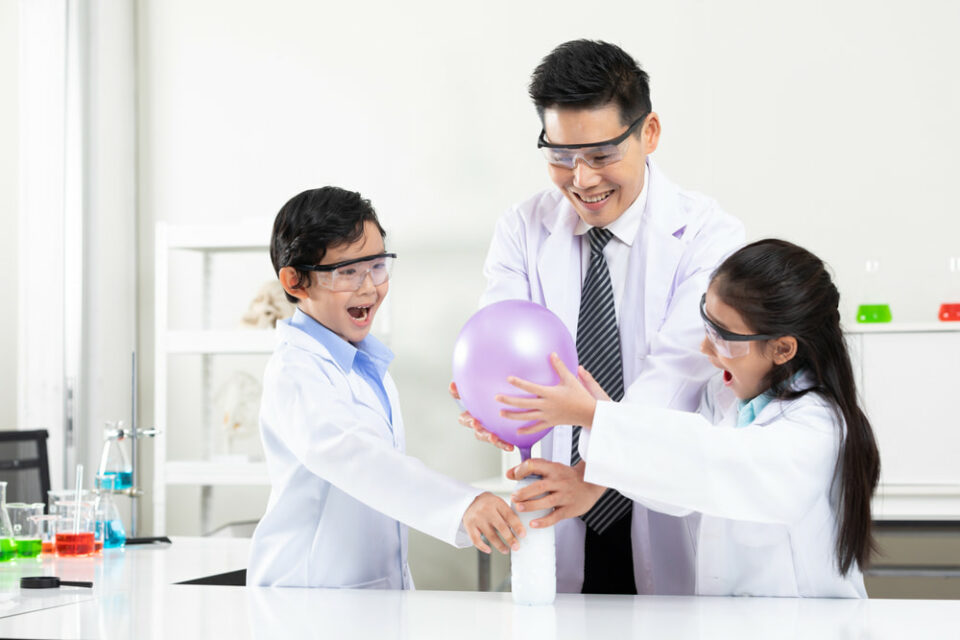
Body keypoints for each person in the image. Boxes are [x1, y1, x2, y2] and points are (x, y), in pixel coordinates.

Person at [455, 39, 744, 594]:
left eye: (602, 155)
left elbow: (681, 373)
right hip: (553, 505)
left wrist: (597, 476)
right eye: (561, 157)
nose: (582, 180)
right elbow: (501, 333)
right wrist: (488, 400)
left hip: (663, 502)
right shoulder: (522, 228)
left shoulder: (709, 235)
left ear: (649, 133)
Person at [499, 239, 881, 597]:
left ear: (782, 348)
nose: (704, 347)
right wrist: (601, 419)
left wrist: (596, 417)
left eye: (723, 337)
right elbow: (678, 489)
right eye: (706, 324)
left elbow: (714, 462)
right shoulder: (724, 401)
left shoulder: (816, 426)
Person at [248, 187, 523, 588]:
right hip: (308, 599)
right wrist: (461, 505)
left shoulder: (363, 364)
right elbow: (356, 458)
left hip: (367, 598)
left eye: (377, 266)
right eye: (347, 272)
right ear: (295, 281)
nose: (369, 287)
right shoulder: (296, 371)